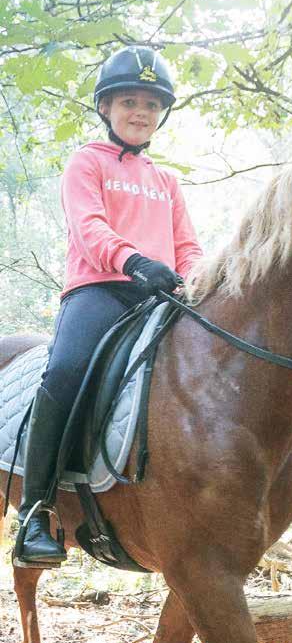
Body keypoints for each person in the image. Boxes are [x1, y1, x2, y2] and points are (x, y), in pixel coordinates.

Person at [14, 45, 203, 567]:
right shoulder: (86, 162)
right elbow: (88, 227)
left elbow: (187, 246)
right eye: (129, 102)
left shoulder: (166, 181)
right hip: (99, 290)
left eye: (151, 104)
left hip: (159, 295)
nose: (141, 112)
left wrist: (194, 279)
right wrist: (134, 261)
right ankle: (35, 512)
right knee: (66, 371)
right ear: (106, 107)